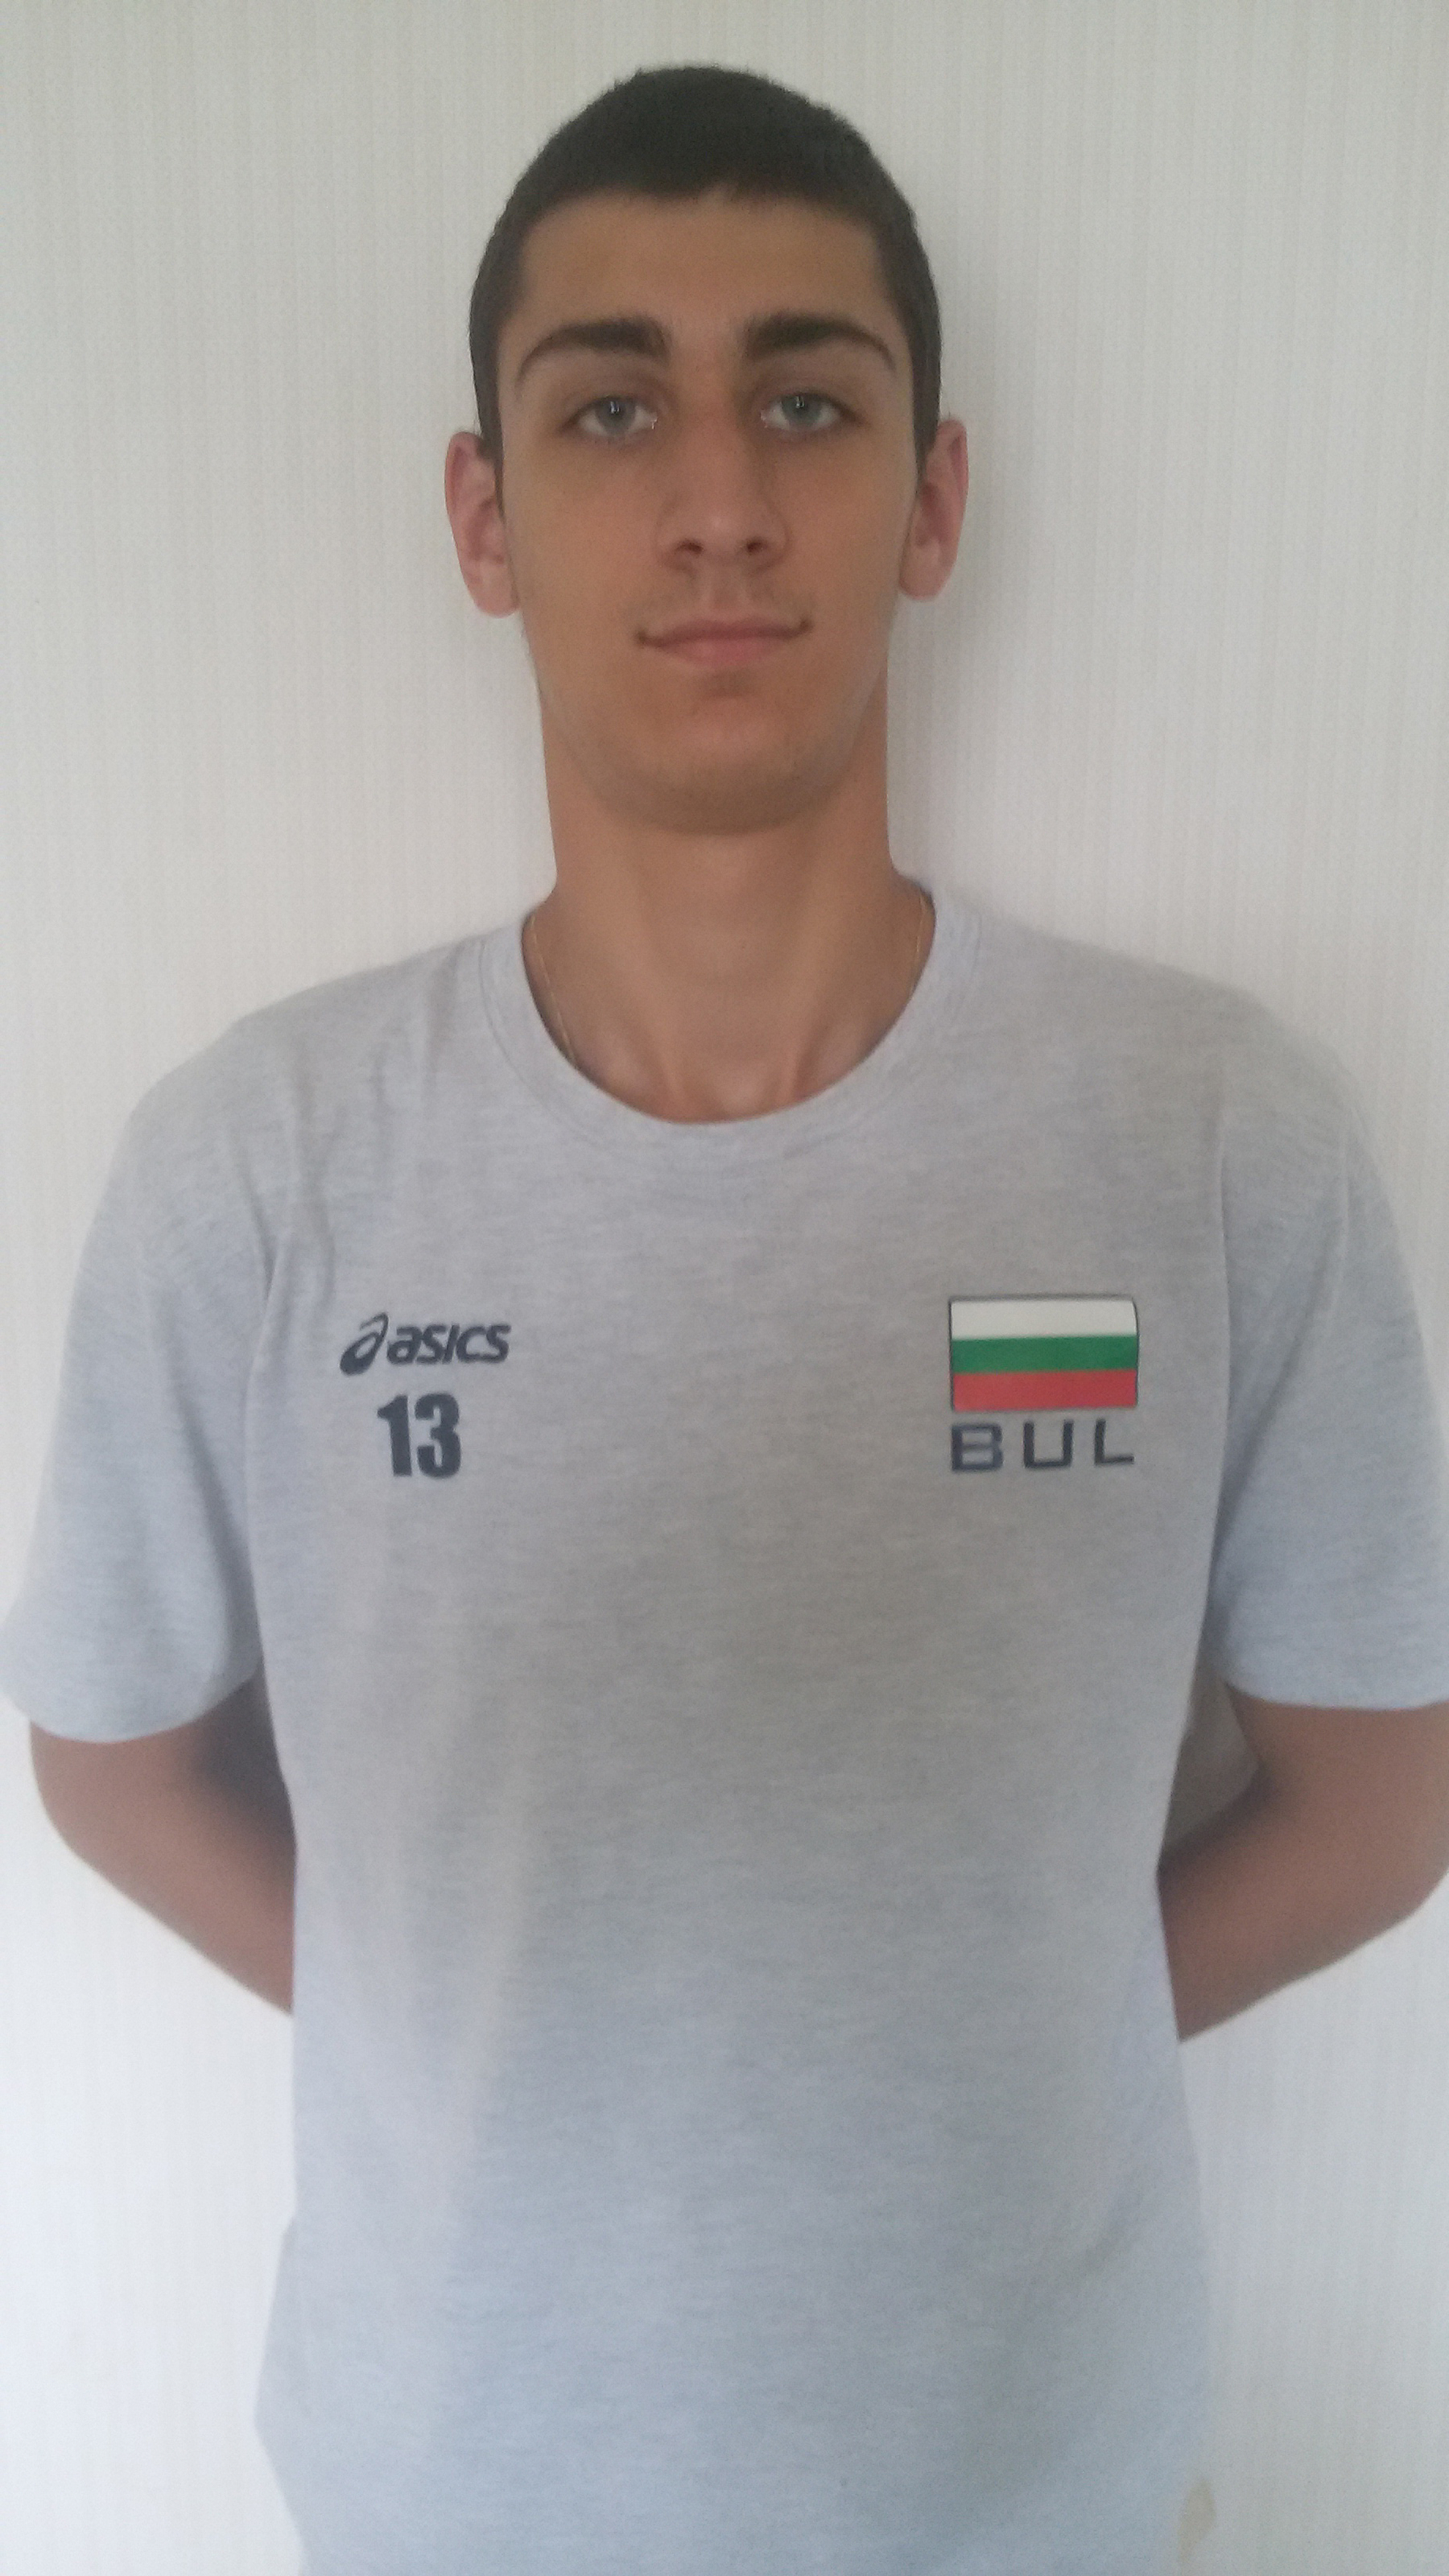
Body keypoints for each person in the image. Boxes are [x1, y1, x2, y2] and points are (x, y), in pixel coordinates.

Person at [6, 60, 1449, 2576]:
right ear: (482, 517)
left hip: (1037, 2505)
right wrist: (479, 2048)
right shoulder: (255, 1168)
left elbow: (1384, 1797)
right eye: (608, 409)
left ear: (934, 496)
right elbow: (112, 1763)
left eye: (805, 400)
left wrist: (1012, 2031)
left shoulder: (1214, 1140)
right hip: (453, 2500)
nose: (716, 502)